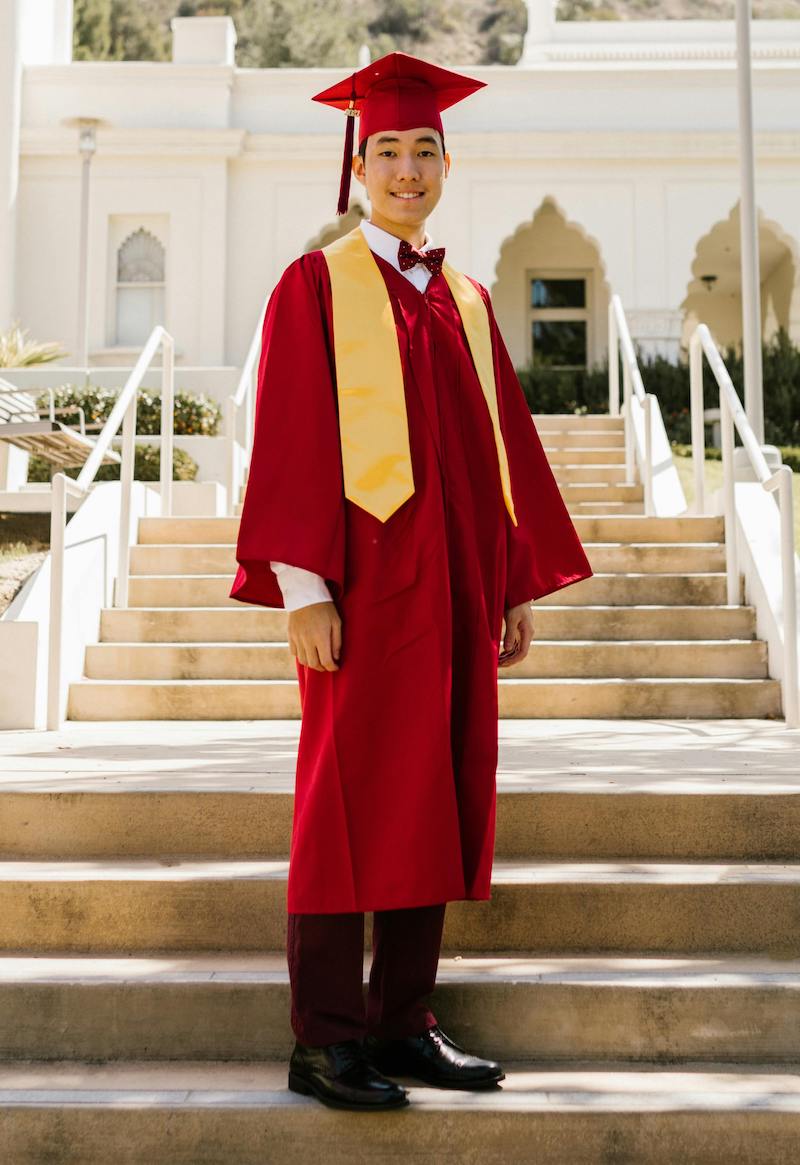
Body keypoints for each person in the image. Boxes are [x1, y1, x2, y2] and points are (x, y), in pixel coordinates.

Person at [230, 51, 594, 1112]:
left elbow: (496, 454)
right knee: (344, 804)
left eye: (421, 150)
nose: (404, 168)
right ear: (357, 166)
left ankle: (401, 1021)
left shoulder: (466, 300)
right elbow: (290, 438)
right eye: (384, 149)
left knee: (431, 793)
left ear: (445, 163)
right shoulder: (316, 285)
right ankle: (324, 1036)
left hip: (454, 595)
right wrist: (301, 586)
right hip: (357, 592)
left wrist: (513, 580)